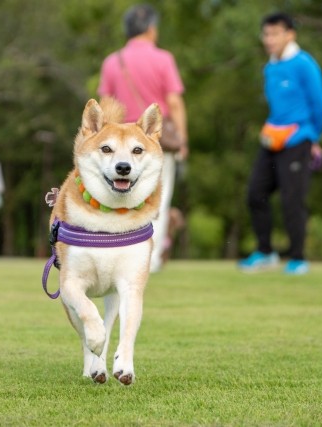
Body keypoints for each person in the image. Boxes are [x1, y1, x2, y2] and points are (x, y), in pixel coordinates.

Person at [98, 3, 188, 273]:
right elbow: (174, 102)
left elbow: (105, 105)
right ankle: (151, 259)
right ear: (151, 28)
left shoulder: (112, 61)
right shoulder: (163, 59)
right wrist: (183, 139)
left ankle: (117, 252)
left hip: (119, 143)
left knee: (118, 195)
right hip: (152, 140)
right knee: (157, 197)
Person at [238, 12, 322, 275]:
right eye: (266, 34)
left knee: (292, 199)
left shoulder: (304, 64)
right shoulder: (270, 67)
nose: (269, 39)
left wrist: (313, 136)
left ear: (290, 34)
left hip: (299, 139)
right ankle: (265, 252)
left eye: (275, 33)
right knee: (256, 193)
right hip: (272, 140)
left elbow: (320, 105)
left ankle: (298, 258)